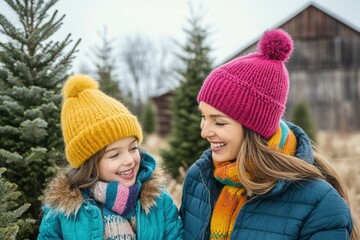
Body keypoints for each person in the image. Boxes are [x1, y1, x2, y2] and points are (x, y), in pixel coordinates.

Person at [179, 29, 358, 240]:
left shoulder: (320, 204)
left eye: (219, 122)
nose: (204, 131)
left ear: (254, 127)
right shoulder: (200, 179)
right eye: (203, 116)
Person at [38, 74, 183, 239]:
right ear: (89, 163)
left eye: (133, 148)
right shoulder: (64, 212)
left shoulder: (160, 202)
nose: (129, 160)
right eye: (114, 155)